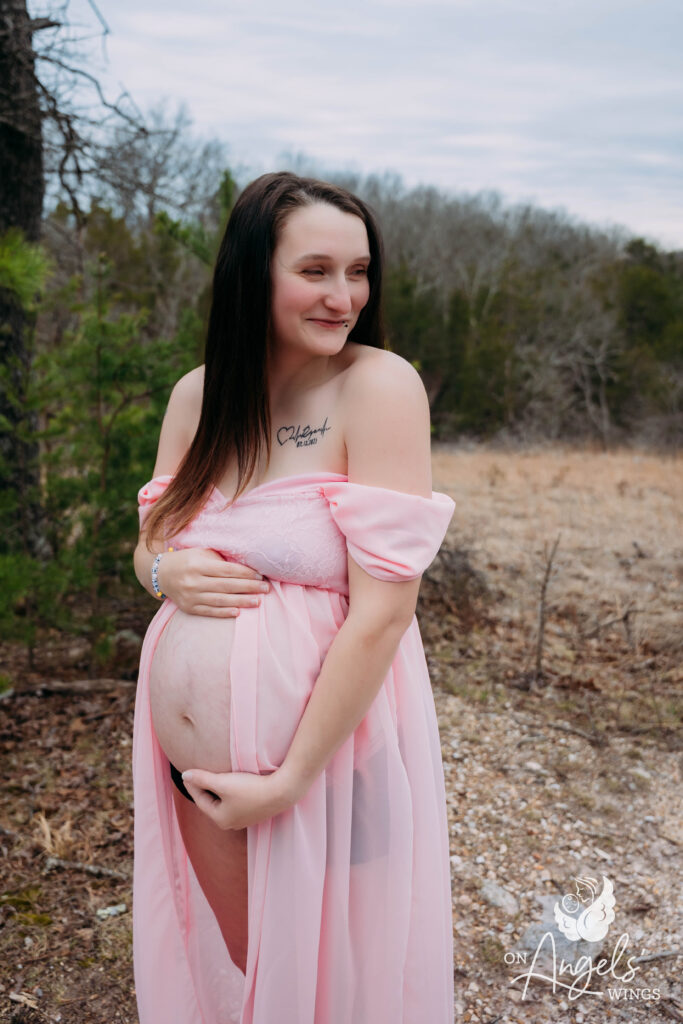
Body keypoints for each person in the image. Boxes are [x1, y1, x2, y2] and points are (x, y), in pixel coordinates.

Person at [132, 171, 456, 1024]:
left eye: (358, 272)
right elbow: (152, 545)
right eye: (315, 270)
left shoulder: (375, 385)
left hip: (327, 760)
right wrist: (162, 574)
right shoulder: (198, 396)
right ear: (252, 273)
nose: (343, 296)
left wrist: (289, 779)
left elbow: (384, 610)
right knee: (247, 970)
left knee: (331, 982)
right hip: (195, 767)